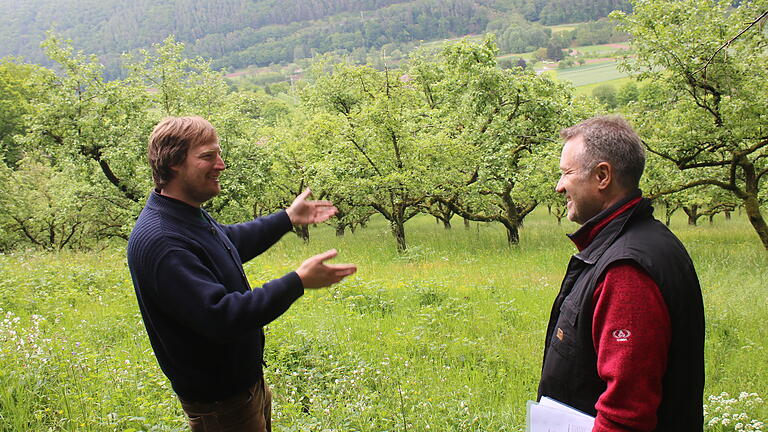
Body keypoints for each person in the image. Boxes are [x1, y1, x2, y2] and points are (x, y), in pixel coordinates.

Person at [127, 116, 356, 432]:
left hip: (242, 390)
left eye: (218, 154)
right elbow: (222, 317)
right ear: (174, 163)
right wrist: (298, 281)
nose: (220, 164)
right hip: (221, 405)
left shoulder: (182, 214)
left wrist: (287, 218)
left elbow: (228, 242)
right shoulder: (164, 240)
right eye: (208, 156)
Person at [538, 115, 704, 431]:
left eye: (566, 174)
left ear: (602, 176)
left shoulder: (626, 269)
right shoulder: (647, 241)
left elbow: (625, 418)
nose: (559, 187)